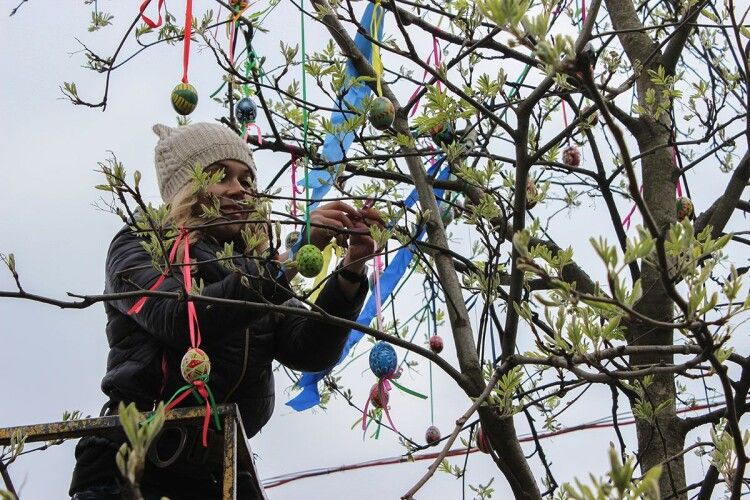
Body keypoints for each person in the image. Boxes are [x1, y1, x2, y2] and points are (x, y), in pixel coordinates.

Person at [69, 122, 381, 499]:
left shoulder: (253, 266)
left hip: (220, 468)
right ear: (186, 185)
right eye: (221, 176)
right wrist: (285, 264)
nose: (239, 190)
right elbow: (178, 318)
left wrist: (350, 272)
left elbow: (309, 350)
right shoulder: (144, 243)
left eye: (248, 180)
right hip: (133, 459)